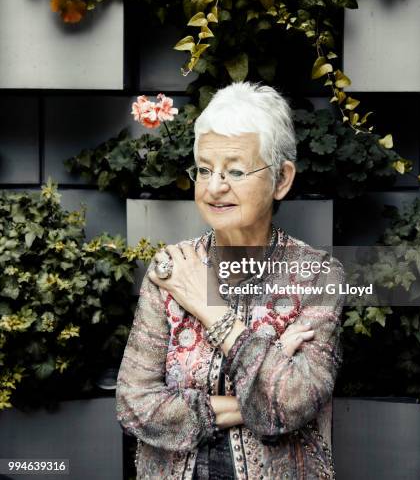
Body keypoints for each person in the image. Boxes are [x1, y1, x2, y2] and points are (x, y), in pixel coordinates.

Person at [116, 81, 345, 479]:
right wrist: (250, 400)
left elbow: (291, 403)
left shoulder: (318, 277)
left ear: (281, 179)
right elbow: (134, 405)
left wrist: (210, 309)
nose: (215, 187)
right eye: (205, 169)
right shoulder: (171, 268)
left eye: (235, 170)